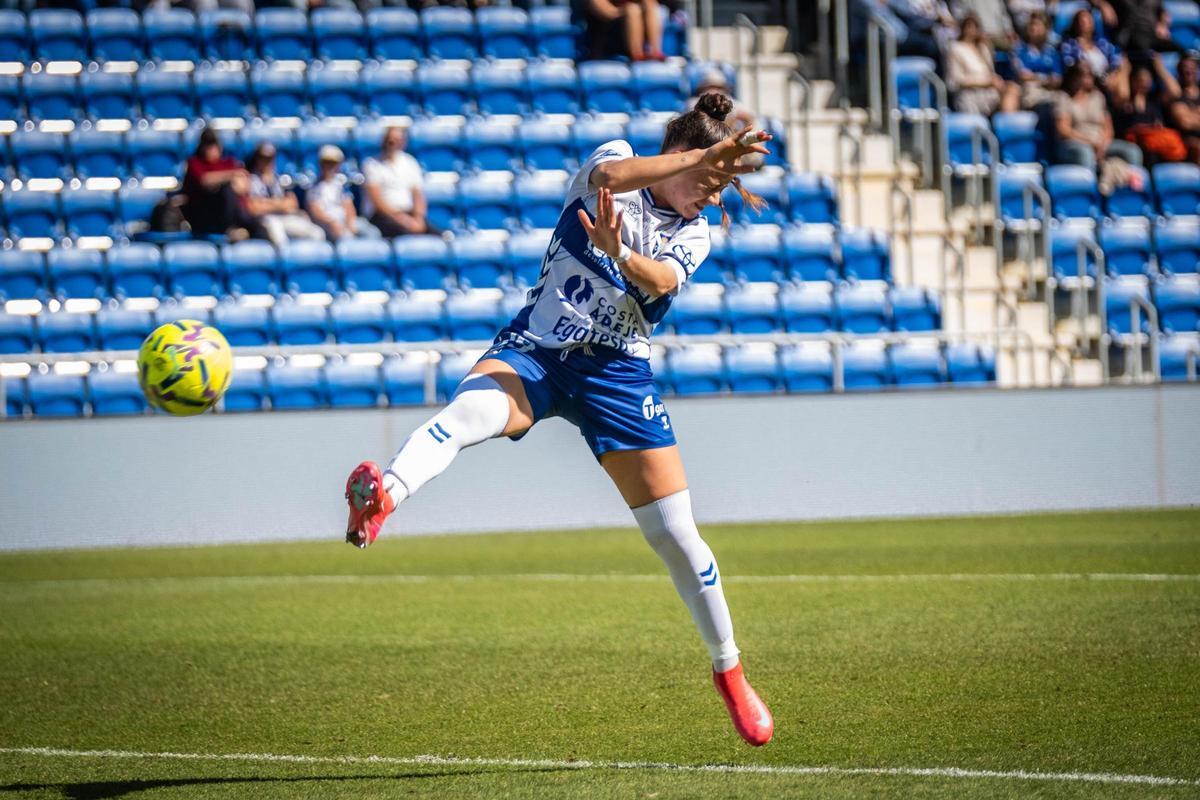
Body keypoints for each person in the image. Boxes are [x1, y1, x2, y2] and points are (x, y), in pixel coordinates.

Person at [343, 93, 776, 748]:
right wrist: (687, 164)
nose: (710, 199)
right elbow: (607, 181)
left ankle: (730, 673)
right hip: (540, 348)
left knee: (676, 534)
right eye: (708, 181)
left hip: (617, 375)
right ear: (682, 157)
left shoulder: (694, 232)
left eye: (719, 187)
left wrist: (620, 254)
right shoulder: (619, 161)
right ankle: (383, 497)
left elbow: (660, 281)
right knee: (469, 415)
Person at [181, 128, 266, 241]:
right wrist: (230, 176)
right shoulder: (195, 163)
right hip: (205, 217)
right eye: (208, 145)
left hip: (237, 213)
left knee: (261, 227)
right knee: (226, 189)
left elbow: (244, 184)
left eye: (214, 144)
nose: (212, 149)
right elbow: (205, 180)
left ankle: (242, 229)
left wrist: (237, 182)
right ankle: (230, 229)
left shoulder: (228, 163)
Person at [1055, 62, 1143, 169]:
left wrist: (1103, 145)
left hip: (1100, 143)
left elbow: (1108, 128)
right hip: (1074, 144)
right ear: (1074, 77)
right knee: (1085, 153)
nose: (1090, 79)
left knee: (1132, 151)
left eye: (1091, 75)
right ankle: (1089, 185)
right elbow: (1064, 130)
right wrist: (1089, 142)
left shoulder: (1098, 97)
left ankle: (1134, 183)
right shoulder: (1064, 98)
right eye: (1085, 75)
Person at [244, 142, 326, 247]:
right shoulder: (250, 179)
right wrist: (280, 204)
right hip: (263, 222)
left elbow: (292, 204)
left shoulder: (279, 179)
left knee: (317, 233)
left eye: (270, 158)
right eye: (263, 158)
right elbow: (253, 208)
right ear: (257, 159)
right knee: (275, 229)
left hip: (284, 218)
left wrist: (266, 203)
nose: (266, 162)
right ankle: (286, 262)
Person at [362, 127, 438, 239]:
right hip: (382, 217)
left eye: (397, 140)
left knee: (442, 238)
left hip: (408, 214)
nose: (392, 143)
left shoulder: (410, 162)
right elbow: (377, 201)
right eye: (390, 140)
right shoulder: (372, 164)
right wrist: (402, 219)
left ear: (403, 142)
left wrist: (419, 218)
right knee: (407, 237)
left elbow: (417, 195)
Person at [1115, 60, 1187, 164]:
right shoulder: (1127, 102)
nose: (1144, 83)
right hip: (1133, 144)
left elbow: (1176, 93)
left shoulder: (1154, 100)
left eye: (1147, 79)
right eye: (1140, 79)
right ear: (1133, 80)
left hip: (1155, 146)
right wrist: (1125, 71)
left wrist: (1160, 69)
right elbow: (1122, 94)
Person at [947, 14, 1019, 114]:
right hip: (970, 94)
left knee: (1012, 88)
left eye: (975, 27)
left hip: (989, 92)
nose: (971, 30)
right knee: (1008, 93)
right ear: (962, 28)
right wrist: (985, 83)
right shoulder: (956, 48)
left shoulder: (983, 48)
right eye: (968, 26)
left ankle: (1007, 125)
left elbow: (990, 72)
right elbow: (956, 81)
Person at [306, 145, 380, 241]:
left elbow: (348, 205)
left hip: (344, 220)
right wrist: (332, 223)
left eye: (333, 163)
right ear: (320, 164)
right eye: (326, 163)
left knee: (372, 232)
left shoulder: (341, 184)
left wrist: (350, 223)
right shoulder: (314, 187)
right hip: (327, 224)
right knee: (345, 237)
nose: (329, 167)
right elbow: (316, 212)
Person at [1060, 8, 1131, 103]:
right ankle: (1122, 102)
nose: (1085, 23)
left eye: (1088, 20)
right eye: (1082, 21)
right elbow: (1071, 65)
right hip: (1089, 79)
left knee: (1124, 65)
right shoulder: (1070, 44)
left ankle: (1121, 99)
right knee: (1118, 88)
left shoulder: (1102, 43)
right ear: (1076, 24)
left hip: (1107, 77)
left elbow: (1116, 58)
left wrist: (1112, 74)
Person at [580, 0, 665, 61]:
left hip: (626, 27)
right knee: (632, 10)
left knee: (650, 5)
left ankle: (655, 52)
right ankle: (637, 55)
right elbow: (607, 13)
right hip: (605, 35)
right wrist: (624, 10)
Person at [1012, 12, 1062, 110]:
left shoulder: (1051, 51)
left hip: (1051, 91)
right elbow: (1024, 76)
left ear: (1046, 29)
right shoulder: (1019, 49)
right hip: (1029, 91)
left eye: (1038, 25)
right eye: (1032, 24)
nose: (1034, 28)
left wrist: (1036, 77)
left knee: (1063, 101)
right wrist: (1047, 79)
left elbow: (1057, 79)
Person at [685, 69, 755, 128]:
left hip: (727, 137)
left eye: (718, 87)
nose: (714, 91)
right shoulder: (693, 103)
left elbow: (750, 116)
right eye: (710, 87)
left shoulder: (733, 103)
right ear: (703, 88)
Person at [1167, 56, 1200, 163]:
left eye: (1192, 68)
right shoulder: (1176, 95)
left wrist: (1190, 114)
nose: (1188, 71)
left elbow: (1189, 120)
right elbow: (1185, 122)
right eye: (1184, 68)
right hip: (1185, 141)